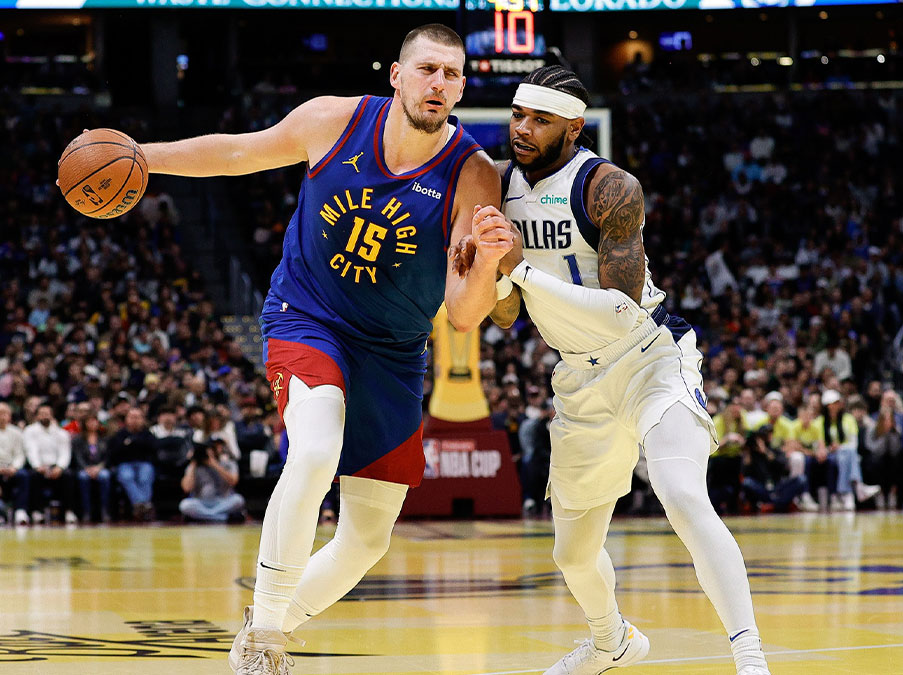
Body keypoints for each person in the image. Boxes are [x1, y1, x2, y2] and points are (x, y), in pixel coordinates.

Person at [134, 24, 507, 674]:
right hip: (309, 318)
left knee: (367, 538)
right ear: (396, 74)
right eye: (427, 69)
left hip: (392, 352)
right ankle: (267, 646)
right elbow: (235, 153)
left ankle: (261, 627)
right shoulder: (334, 121)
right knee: (312, 451)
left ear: (463, 88)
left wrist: (487, 266)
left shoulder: (471, 175)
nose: (437, 83)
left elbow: (464, 313)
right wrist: (144, 156)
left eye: (451, 74)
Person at [454, 66, 769, 675]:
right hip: (577, 378)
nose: (522, 128)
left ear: (574, 127)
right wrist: (490, 269)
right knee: (572, 554)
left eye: (540, 119)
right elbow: (508, 318)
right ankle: (611, 641)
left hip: (651, 357)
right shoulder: (498, 186)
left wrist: (517, 268)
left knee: (680, 494)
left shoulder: (608, 186)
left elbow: (622, 314)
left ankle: (750, 658)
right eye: (518, 115)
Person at [23, 404, 77, 525]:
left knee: (68, 475)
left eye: (47, 413)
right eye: (42, 413)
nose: (45, 416)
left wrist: (60, 467)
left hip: (56, 467)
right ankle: (37, 512)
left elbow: (65, 453)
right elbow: (31, 450)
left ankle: (68, 511)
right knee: (32, 476)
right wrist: (37, 466)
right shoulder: (30, 431)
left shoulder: (61, 433)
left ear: (52, 415)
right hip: (39, 467)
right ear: (37, 416)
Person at [107, 407, 158, 521]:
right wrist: (135, 444)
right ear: (126, 419)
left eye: (138, 417)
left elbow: (153, 449)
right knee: (126, 476)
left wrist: (130, 443)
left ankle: (139, 506)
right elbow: (115, 452)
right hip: (125, 464)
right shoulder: (119, 434)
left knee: (145, 476)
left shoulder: (148, 434)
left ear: (143, 419)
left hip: (144, 464)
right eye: (132, 417)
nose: (135, 420)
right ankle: (144, 505)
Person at [179, 439, 245, 523]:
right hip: (201, 502)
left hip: (222, 502)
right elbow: (186, 488)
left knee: (238, 500)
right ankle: (220, 517)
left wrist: (214, 464)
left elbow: (233, 481)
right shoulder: (194, 467)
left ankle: (205, 516)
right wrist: (193, 462)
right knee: (184, 505)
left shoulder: (227, 463)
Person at [71, 413, 112, 523]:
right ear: (84, 424)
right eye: (89, 421)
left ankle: (105, 510)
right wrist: (87, 468)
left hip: (100, 468)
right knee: (83, 478)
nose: (92, 424)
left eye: (94, 421)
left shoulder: (104, 439)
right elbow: (77, 457)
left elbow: (107, 457)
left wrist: (98, 468)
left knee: (105, 476)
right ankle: (86, 511)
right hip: (84, 469)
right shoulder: (78, 440)